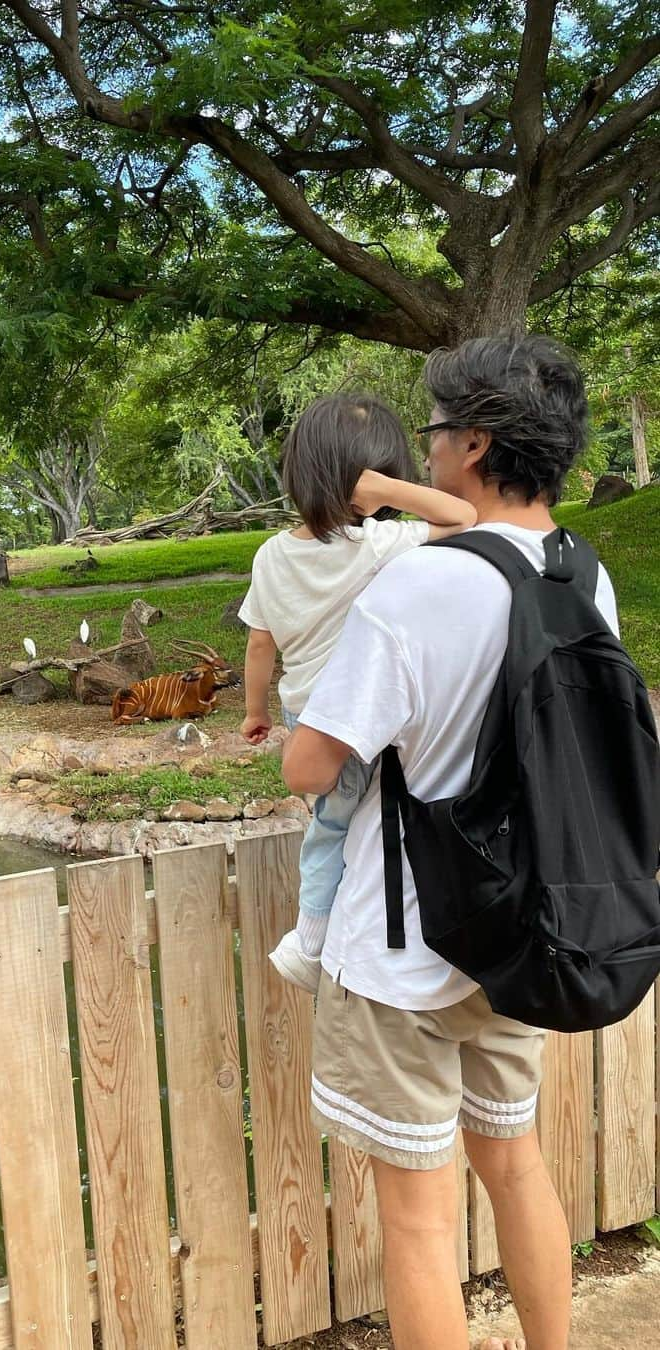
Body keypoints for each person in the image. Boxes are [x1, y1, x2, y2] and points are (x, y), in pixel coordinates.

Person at [283, 334, 618, 1350]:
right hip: (524, 932)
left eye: (434, 431)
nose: (427, 449)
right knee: (517, 1170)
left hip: (407, 950)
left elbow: (310, 764)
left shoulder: (423, 586)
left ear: (475, 442)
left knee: (419, 1222)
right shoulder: (581, 576)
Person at [238, 394, 477, 993]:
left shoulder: (270, 555)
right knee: (336, 826)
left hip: (302, 709)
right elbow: (461, 517)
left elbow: (259, 647)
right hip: (354, 715)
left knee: (332, 818)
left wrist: (255, 711)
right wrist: (386, 490)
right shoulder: (377, 546)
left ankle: (321, 928)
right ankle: (311, 940)